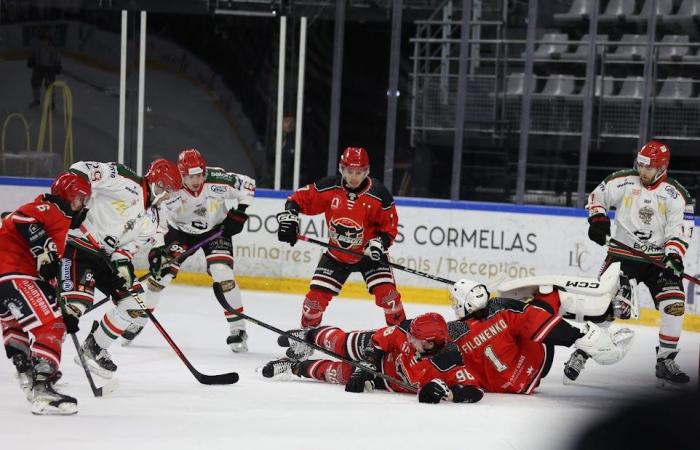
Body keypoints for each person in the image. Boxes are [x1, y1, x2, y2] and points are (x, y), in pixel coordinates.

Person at [121, 148, 256, 352]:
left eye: (199, 175)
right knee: (160, 278)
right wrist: (158, 250)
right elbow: (156, 221)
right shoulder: (171, 187)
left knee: (223, 274)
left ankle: (238, 329)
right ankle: (139, 321)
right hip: (180, 234)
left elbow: (248, 184)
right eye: (190, 176)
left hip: (216, 231)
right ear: (181, 174)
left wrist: (240, 212)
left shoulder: (217, 178)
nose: (196, 180)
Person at [276, 147, 406, 358]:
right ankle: (307, 340)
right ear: (341, 169)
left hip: (369, 256)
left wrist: (379, 243)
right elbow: (298, 198)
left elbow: (389, 228)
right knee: (312, 303)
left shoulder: (379, 194)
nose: (353, 177)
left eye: (359, 172)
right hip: (337, 255)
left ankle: (403, 344)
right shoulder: (329, 187)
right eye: (349, 171)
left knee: (390, 299)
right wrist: (290, 215)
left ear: (367, 171)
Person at [584, 140, 694, 388]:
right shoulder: (622, 180)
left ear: (662, 167)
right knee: (608, 305)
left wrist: (674, 254)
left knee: (675, 304)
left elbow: (681, 230)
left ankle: (665, 360)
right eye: (640, 164)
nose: (642, 171)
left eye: (648, 167)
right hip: (623, 255)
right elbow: (597, 196)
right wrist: (598, 218)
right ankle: (581, 351)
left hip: (658, 261)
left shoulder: (678, 195)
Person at [58, 159, 182, 379]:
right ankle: (41, 365)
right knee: (73, 308)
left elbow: (126, 250)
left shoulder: (152, 219)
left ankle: (94, 348)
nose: (168, 196)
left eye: (172, 192)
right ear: (157, 183)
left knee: (135, 304)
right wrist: (78, 194)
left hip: (104, 259)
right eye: (167, 189)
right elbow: (82, 168)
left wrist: (123, 268)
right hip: (79, 246)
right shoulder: (125, 180)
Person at [447, 269, 634, 395]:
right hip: (535, 364)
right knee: (545, 299)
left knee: (515, 328)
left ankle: (585, 343)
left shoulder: (454, 333)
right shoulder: (500, 310)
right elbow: (536, 322)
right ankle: (606, 317)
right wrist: (577, 336)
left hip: (505, 388)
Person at [0, 172, 90, 414]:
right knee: (51, 326)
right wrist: (41, 249)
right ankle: (43, 388)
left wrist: (63, 309)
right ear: (69, 196)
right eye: (81, 200)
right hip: (14, 274)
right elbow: (18, 218)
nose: (83, 206)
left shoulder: (55, 220)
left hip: (9, 279)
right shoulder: (55, 210)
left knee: (18, 325)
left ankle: (27, 373)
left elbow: (48, 273)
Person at [262, 312, 484, 404]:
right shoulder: (403, 334)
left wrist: (449, 393)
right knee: (341, 343)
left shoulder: (448, 363)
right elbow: (378, 341)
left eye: (413, 337)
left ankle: (294, 366)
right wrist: (365, 366)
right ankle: (308, 336)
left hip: (384, 380)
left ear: (429, 343)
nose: (408, 337)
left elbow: (475, 391)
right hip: (377, 351)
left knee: (336, 373)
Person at [27, 28, 61, 109]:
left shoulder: (52, 43)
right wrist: (31, 59)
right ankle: (37, 100)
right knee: (35, 83)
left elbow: (56, 54)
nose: (44, 34)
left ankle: (51, 102)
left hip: (49, 67)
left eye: (45, 32)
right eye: (42, 32)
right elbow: (34, 52)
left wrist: (57, 64)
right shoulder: (37, 42)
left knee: (49, 85)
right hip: (38, 66)